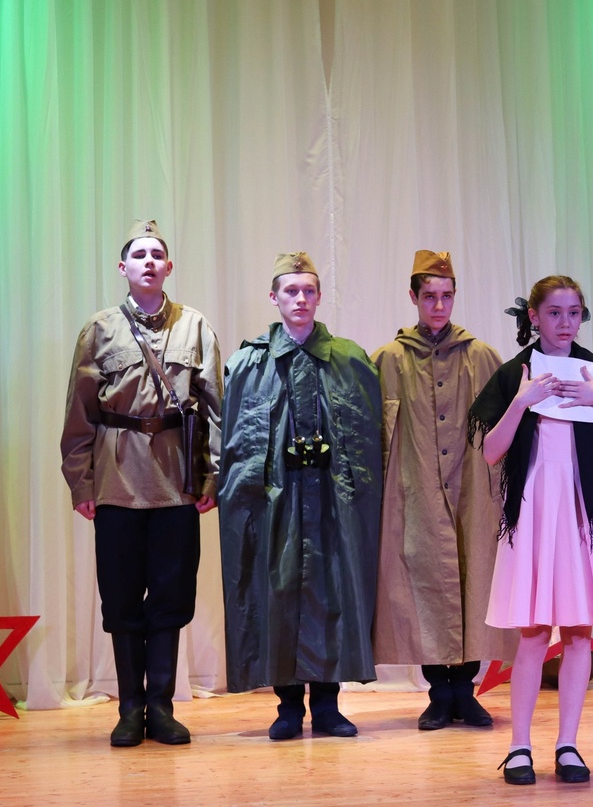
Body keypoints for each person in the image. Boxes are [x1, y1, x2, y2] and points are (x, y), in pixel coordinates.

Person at [468, 275, 593, 785]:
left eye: (574, 313)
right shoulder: (515, 373)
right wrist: (522, 401)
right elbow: (491, 452)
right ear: (535, 317)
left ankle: (568, 744)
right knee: (534, 633)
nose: (565, 323)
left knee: (580, 632)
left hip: (584, 511)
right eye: (554, 313)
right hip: (536, 509)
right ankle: (519, 747)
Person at [60, 219, 223, 747]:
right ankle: (130, 710)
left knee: (172, 598)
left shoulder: (194, 326)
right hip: (116, 481)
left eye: (157, 255)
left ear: (169, 267)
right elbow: (80, 413)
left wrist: (212, 476)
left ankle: (162, 707)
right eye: (139, 255)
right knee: (122, 597)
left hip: (176, 480)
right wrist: (81, 483)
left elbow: (217, 409)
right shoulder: (99, 329)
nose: (149, 262)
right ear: (123, 267)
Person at [218, 251, 382, 740]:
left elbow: (368, 437)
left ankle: (328, 706)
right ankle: (288, 707)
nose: (301, 299)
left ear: (319, 296)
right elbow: (234, 440)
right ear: (274, 297)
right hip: (277, 499)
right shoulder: (249, 363)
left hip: (331, 500)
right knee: (279, 591)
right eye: (291, 290)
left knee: (331, 590)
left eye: (309, 290)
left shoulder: (349, 359)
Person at [371, 250, 515, 731]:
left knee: (477, 580)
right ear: (413, 297)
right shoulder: (388, 360)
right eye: (429, 296)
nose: (438, 306)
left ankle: (466, 692)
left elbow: (512, 428)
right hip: (414, 492)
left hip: (476, 491)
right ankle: (439, 693)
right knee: (423, 584)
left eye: (446, 296)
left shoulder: (482, 357)